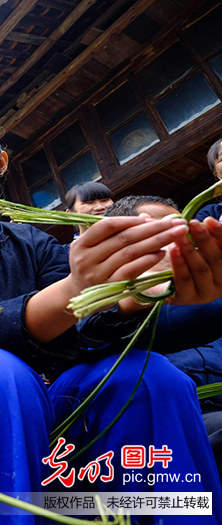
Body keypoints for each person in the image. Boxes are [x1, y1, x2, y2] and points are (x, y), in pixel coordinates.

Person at [0, 108, 222, 524]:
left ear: (2, 162)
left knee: (148, 376)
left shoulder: (37, 243)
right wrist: (73, 291)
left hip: (47, 391)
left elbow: (84, 329)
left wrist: (133, 299)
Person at [105, 194, 222, 474]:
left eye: (181, 231)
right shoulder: (106, 311)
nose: (178, 242)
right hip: (184, 420)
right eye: (159, 234)